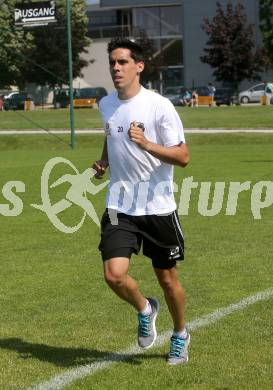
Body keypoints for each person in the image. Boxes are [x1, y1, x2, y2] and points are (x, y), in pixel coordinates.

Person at [93, 37, 190, 365]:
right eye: (112, 63)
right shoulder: (107, 104)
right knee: (114, 274)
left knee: (167, 278)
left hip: (157, 208)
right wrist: (104, 161)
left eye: (122, 62)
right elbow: (111, 135)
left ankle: (180, 334)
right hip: (121, 206)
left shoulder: (159, 105)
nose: (115, 68)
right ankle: (145, 309)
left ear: (139, 66)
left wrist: (147, 144)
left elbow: (183, 156)